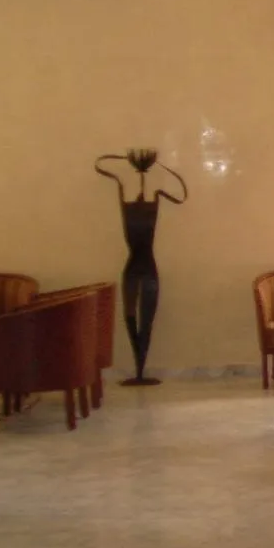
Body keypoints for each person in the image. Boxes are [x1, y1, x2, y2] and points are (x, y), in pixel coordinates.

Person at [93, 149, 187, 385]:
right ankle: (138, 368)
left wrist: (162, 167)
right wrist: (122, 160)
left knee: (148, 316)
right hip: (133, 265)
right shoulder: (123, 193)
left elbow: (181, 194)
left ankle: (141, 366)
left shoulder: (155, 196)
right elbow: (101, 164)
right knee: (130, 314)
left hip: (148, 264)